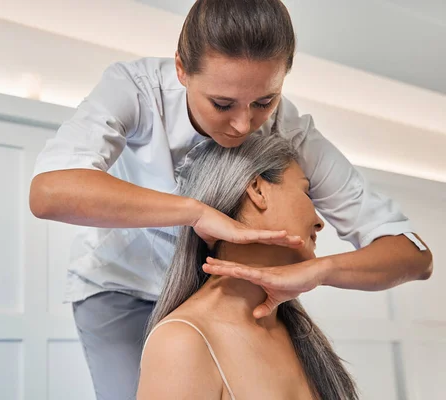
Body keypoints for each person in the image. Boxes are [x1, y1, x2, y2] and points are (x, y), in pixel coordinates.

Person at [29, 0, 433, 398]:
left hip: (217, 287)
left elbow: (413, 254)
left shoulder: (290, 131)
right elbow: (49, 192)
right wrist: (194, 212)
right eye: (222, 104)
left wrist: (320, 271)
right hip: (122, 285)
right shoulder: (135, 89)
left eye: (264, 102)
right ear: (181, 69)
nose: (243, 124)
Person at [138, 133, 358, 400]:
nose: (319, 221)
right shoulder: (182, 342)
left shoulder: (297, 331)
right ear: (257, 189)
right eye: (305, 191)